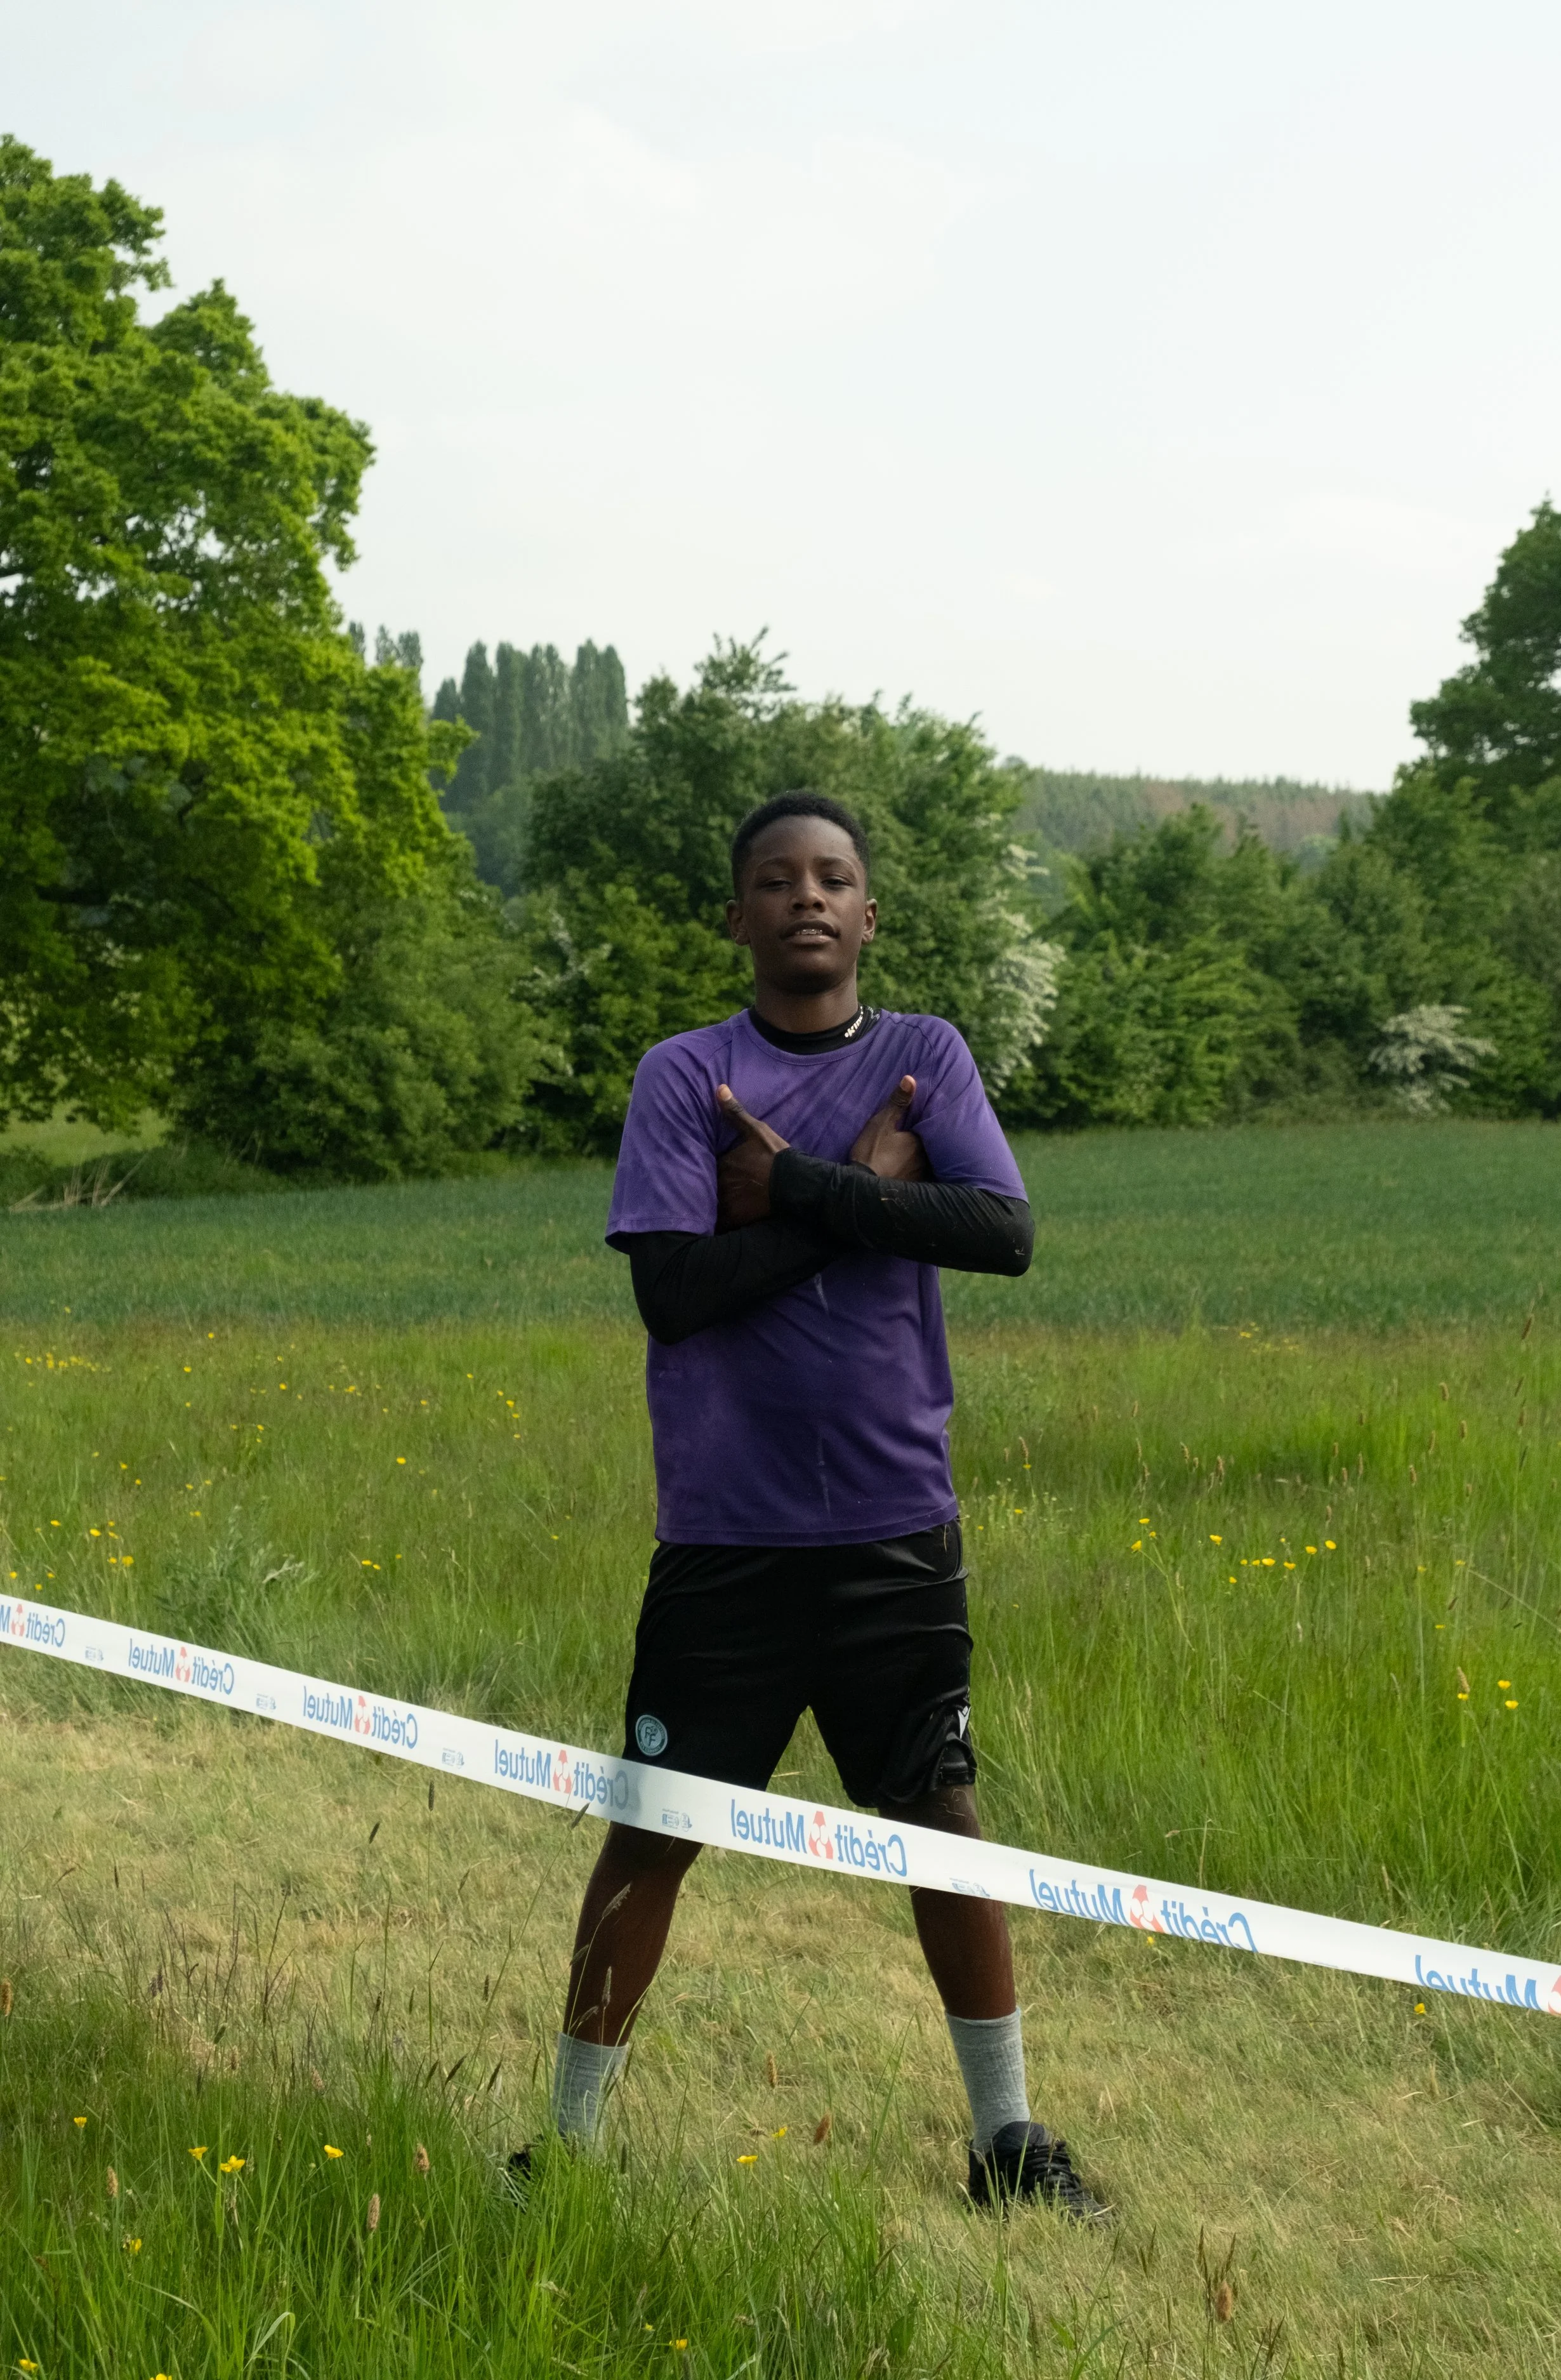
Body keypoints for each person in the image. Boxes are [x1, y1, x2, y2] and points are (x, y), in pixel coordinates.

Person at [527, 791, 1107, 2216]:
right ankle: (569, 2146)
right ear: (735, 917)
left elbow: (1004, 1234)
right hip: (725, 1533)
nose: (805, 897)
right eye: (775, 881)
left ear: (866, 915)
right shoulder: (683, 1075)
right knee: (652, 1825)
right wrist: (854, 1196)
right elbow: (673, 1294)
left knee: (937, 1820)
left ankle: (1006, 2143)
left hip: (892, 1526)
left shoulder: (924, 1057)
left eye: (832, 878)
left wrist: (788, 1188)